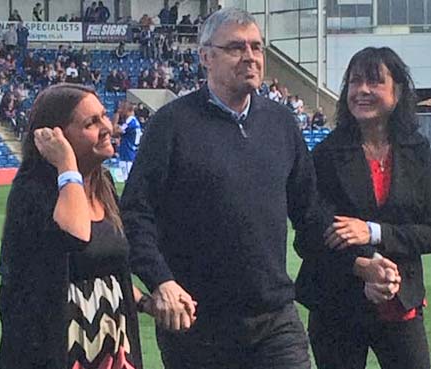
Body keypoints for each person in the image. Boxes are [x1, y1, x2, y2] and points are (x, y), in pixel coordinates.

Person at [120, 8, 329, 369]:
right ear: (206, 57)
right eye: (236, 47)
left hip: (274, 320)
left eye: (257, 47)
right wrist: (161, 281)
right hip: (198, 323)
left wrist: (360, 259)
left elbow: (309, 212)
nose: (250, 57)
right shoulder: (171, 125)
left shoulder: (281, 123)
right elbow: (136, 213)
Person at [0, 84, 153, 369]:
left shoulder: (103, 187)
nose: (107, 127)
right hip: (55, 352)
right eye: (91, 123)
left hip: (111, 350)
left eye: (104, 116)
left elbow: (106, 270)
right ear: (57, 136)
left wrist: (145, 303)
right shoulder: (33, 191)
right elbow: (76, 235)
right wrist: (66, 163)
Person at [295, 47, 431, 369]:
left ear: (397, 92)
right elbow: (309, 237)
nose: (362, 91)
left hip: (400, 303)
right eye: (355, 82)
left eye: (374, 81)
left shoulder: (420, 153)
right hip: (336, 304)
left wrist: (373, 232)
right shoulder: (326, 155)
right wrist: (363, 265)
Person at [112, 101, 142, 179]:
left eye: (122, 108)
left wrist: (116, 116)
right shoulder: (133, 121)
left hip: (128, 153)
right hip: (129, 152)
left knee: (127, 178)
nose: (120, 110)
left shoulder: (130, 120)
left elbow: (115, 132)